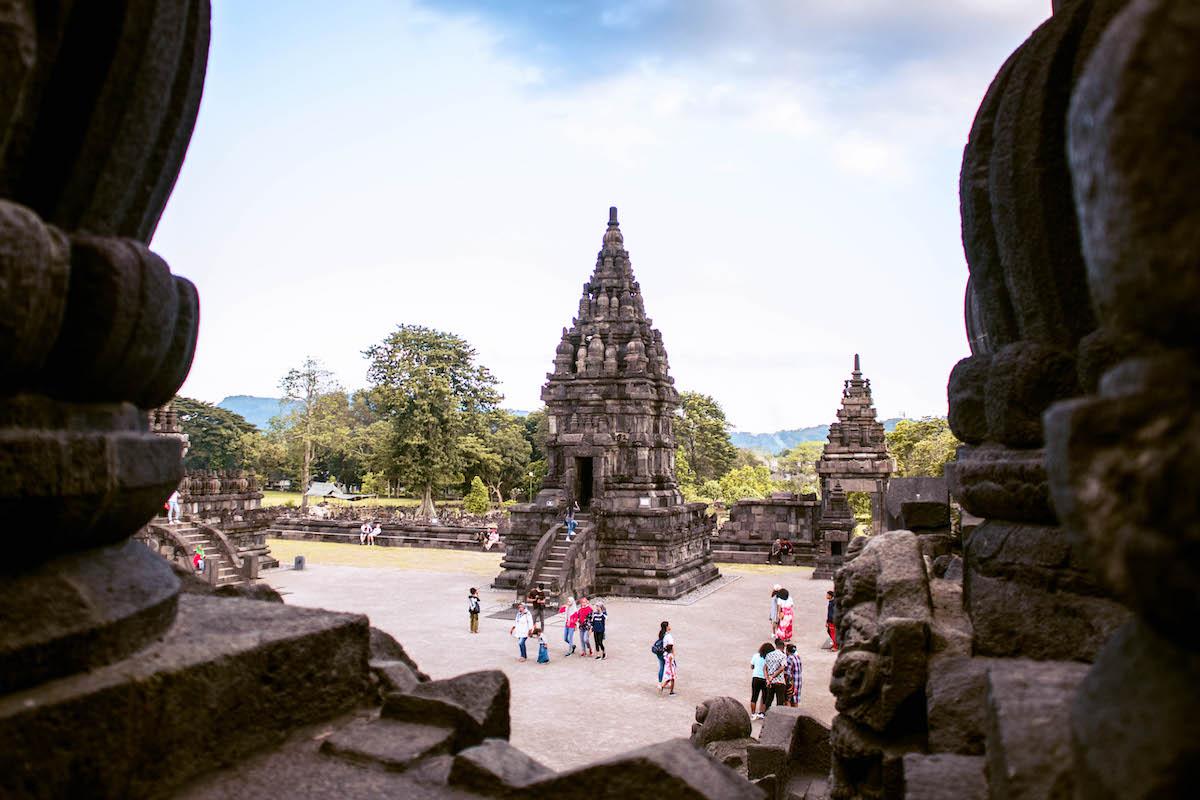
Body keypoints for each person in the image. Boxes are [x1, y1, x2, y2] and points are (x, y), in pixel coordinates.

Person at [763, 638, 788, 712]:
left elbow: (764, 668)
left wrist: (767, 679)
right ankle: (778, 717)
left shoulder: (769, 655)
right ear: (783, 647)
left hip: (770, 682)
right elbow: (782, 668)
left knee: (768, 700)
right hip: (780, 681)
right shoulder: (783, 656)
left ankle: (766, 715)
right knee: (780, 702)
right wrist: (773, 676)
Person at [750, 642, 773, 720]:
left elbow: (752, 666)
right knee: (765, 697)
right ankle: (762, 713)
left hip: (756, 678)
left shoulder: (756, 656)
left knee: (754, 697)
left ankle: (753, 714)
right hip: (765, 678)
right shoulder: (770, 658)